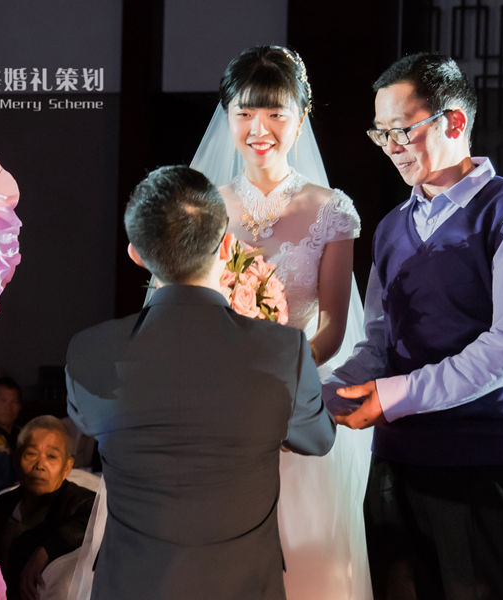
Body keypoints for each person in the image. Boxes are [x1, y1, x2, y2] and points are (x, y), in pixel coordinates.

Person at [328, 52, 503, 599]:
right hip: (398, 459)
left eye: (402, 130)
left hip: (486, 454)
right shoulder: (390, 228)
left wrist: (396, 394)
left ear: (454, 121)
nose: (391, 147)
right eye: (381, 134)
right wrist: (326, 391)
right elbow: (380, 342)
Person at [65, 165, 336, 599]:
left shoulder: (89, 351)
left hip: (131, 585)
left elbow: (90, 419)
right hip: (243, 587)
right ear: (226, 243)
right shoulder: (283, 350)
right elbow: (317, 439)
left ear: (136, 254)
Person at [188, 45, 373, 599]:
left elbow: (333, 326)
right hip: (214, 413)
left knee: (301, 566)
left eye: (275, 113)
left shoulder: (331, 209)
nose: (258, 129)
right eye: (244, 113)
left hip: (294, 411)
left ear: (302, 116)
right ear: (226, 116)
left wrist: (278, 380)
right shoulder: (202, 209)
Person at [0, 415, 95, 600]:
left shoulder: (81, 502)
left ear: (67, 467)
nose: (40, 465)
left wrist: (44, 552)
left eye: (51, 456)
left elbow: (94, 521)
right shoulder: (1, 504)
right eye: (31, 454)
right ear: (16, 459)